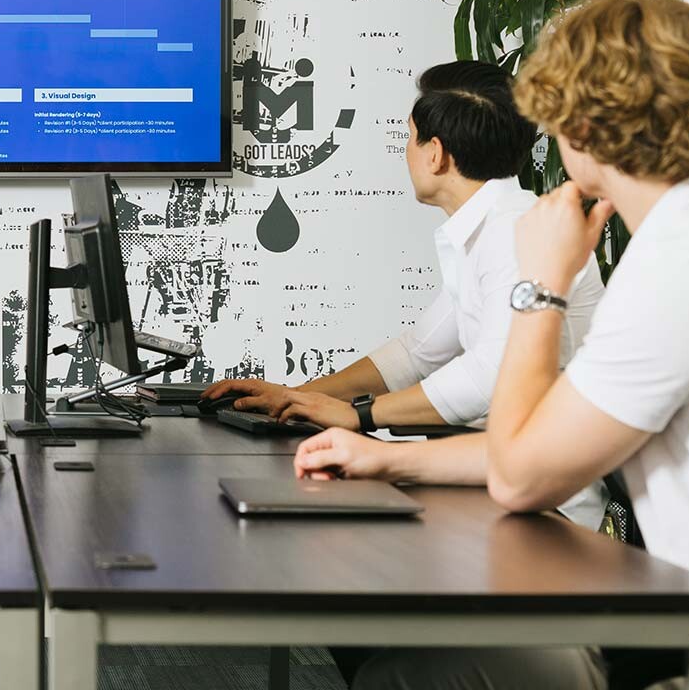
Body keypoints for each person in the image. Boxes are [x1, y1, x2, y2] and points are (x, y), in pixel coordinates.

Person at [294, 0, 689, 689]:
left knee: (414, 675)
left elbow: (520, 475)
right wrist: (381, 460)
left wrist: (541, 284)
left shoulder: (688, 267)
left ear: (582, 125)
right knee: (420, 664)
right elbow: (546, 443)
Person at [206, 60, 606, 523]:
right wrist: (296, 398)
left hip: (551, 510)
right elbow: (416, 353)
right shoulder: (488, 229)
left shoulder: (517, 232)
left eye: (408, 137)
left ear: (435, 154)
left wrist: (360, 415)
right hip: (500, 480)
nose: (405, 153)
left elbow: (487, 376)